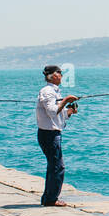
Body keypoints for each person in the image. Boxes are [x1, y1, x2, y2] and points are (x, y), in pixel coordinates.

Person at [35, 65, 78, 206]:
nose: (61, 75)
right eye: (59, 73)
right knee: (58, 167)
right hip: (49, 134)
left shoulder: (53, 91)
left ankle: (48, 197)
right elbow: (52, 112)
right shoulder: (47, 92)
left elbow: (58, 114)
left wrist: (69, 111)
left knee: (53, 166)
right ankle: (51, 199)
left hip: (52, 133)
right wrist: (66, 100)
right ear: (52, 76)